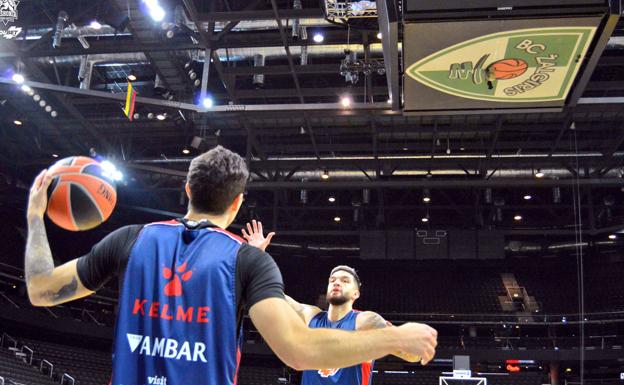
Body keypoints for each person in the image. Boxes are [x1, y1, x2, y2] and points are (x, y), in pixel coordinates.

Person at [25, 146, 438, 385]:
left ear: (187, 190)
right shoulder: (246, 261)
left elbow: (41, 288)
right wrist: (394, 340)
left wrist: (34, 219)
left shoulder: (131, 239)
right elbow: (298, 349)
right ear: (238, 202)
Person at [242, 222, 420, 385]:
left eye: (344, 281)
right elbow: (273, 295)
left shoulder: (366, 321)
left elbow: (413, 355)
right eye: (332, 279)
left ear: (356, 293)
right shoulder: (310, 315)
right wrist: (258, 256)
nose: (336, 282)